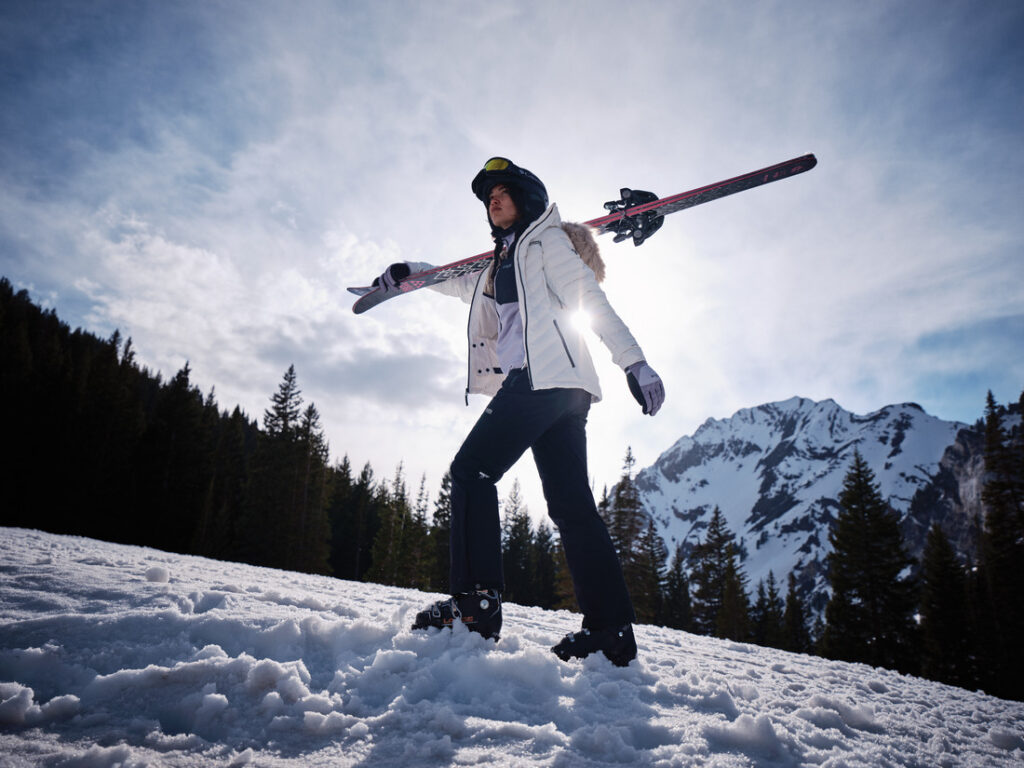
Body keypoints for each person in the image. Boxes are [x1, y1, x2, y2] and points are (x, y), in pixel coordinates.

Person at [373, 157, 664, 666]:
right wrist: (411, 275)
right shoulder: (498, 263)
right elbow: (456, 283)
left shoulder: (543, 242)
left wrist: (634, 362)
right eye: (488, 197)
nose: (494, 200)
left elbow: (588, 297)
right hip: (566, 392)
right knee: (572, 509)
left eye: (503, 191)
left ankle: (476, 604)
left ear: (527, 198)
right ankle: (610, 632)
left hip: (541, 376)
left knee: (471, 472)